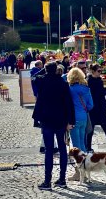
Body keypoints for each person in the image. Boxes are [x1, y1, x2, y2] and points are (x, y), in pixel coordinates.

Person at [32, 61, 75, 191]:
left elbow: (34, 77)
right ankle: (62, 179)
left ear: (46, 70)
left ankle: (47, 181)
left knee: (49, 151)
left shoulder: (42, 81)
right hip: (61, 120)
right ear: (57, 70)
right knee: (62, 150)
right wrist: (70, 121)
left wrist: (45, 70)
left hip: (46, 120)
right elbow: (69, 103)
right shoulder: (63, 83)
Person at [67, 68, 93, 153]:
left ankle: (80, 163)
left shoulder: (70, 89)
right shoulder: (86, 88)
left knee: (76, 144)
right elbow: (91, 105)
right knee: (82, 142)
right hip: (84, 117)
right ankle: (85, 161)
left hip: (74, 118)